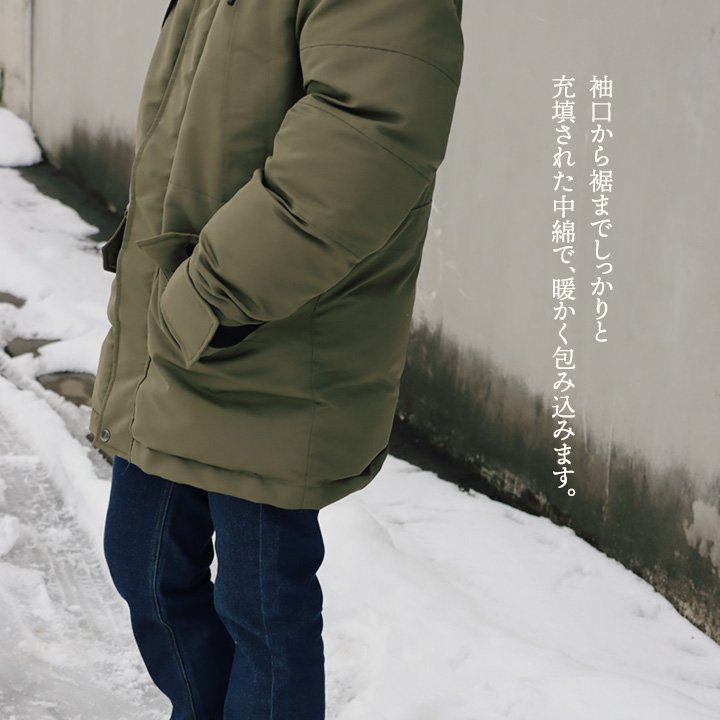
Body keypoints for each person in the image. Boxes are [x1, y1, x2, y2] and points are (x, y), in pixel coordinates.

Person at [92, 0, 464, 717]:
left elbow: (362, 144)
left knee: (261, 609)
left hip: (271, 335)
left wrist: (213, 291)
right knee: (144, 564)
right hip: (179, 324)